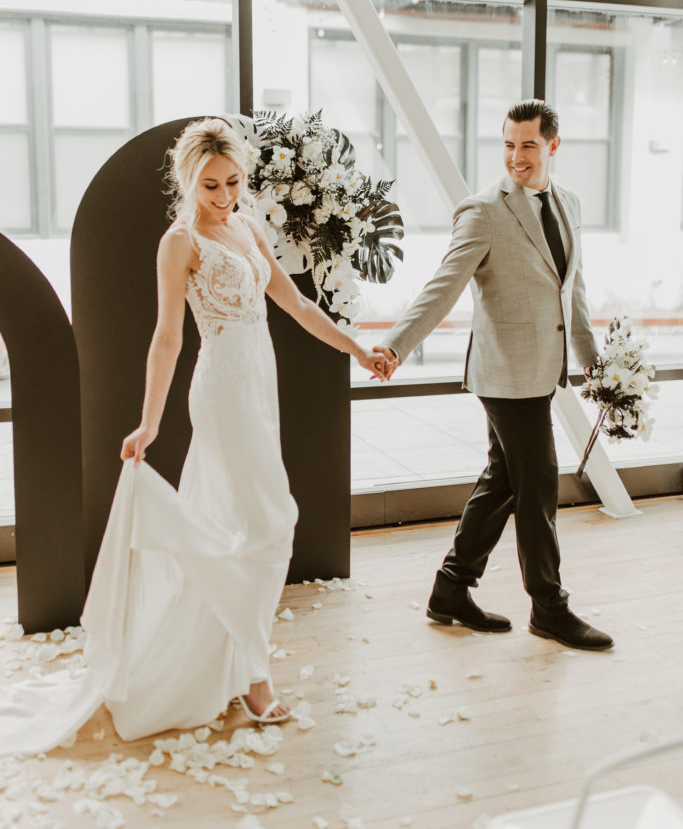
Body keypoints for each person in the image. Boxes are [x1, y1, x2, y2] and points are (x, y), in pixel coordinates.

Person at [0, 117, 391, 754]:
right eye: (211, 185)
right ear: (187, 181)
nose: (224, 196)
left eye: (233, 182)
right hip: (223, 391)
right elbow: (166, 338)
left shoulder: (248, 225)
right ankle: (255, 676)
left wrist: (358, 349)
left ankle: (229, 662)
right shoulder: (179, 243)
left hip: (259, 386)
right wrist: (150, 422)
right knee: (270, 523)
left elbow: (296, 305)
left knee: (237, 525)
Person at [376, 99, 613, 652]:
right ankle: (549, 608)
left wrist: (593, 362)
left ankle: (450, 590)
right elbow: (444, 285)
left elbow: (571, 289)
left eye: (528, 145)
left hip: (542, 370)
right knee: (539, 487)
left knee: (504, 479)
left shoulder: (569, 203)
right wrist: (395, 345)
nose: (516, 157)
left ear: (553, 145)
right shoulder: (483, 210)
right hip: (504, 375)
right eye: (508, 144)